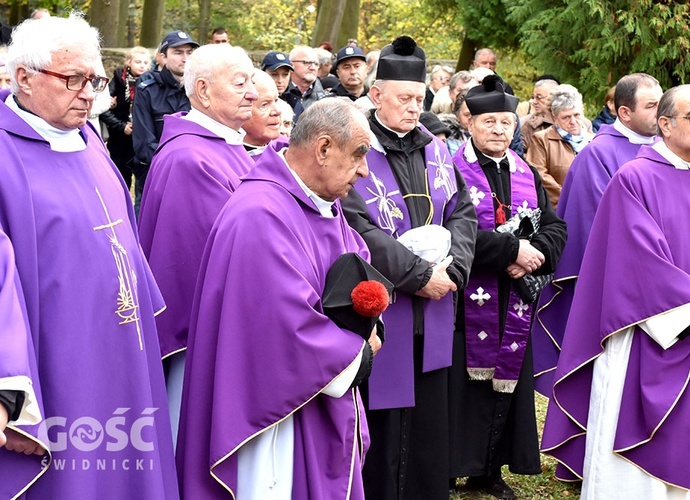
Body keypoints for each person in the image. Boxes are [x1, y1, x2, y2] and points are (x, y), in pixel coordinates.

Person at [542, 84, 690, 498]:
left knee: (689, 454)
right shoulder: (633, 179)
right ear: (665, 124)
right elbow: (637, 259)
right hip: (646, 333)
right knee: (631, 472)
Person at [0, 13, 177, 498]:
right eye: (72, 79)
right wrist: (7, 387)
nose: (89, 94)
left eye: (94, 80)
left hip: (123, 349)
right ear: (23, 78)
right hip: (56, 364)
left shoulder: (89, 141)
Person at [177, 99, 378, 499]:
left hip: (316, 393)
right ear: (323, 149)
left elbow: (356, 262)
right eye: (358, 155)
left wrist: (372, 320)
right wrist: (360, 352)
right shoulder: (260, 213)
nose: (364, 170)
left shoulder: (320, 201)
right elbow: (284, 323)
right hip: (270, 411)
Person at [341, 35, 477, 500]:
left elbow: (462, 212)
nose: (414, 107)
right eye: (404, 98)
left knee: (428, 424)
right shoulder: (357, 150)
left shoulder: (437, 149)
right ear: (376, 95)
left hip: (437, 308)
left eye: (419, 98)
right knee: (385, 423)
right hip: (388, 308)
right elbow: (358, 224)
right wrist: (420, 276)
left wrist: (453, 271)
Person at [449, 75, 566, 499]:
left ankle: (489, 470)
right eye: (489, 122)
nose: (499, 130)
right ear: (470, 123)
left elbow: (554, 226)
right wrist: (510, 251)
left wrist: (534, 253)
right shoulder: (450, 170)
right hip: (465, 298)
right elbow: (451, 232)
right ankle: (451, 465)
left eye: (505, 122)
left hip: (514, 300)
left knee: (505, 386)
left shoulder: (526, 173)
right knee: (462, 387)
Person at [137, 44, 258, 447]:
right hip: (201, 339)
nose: (253, 93)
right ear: (203, 91)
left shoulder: (226, 145)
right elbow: (211, 257)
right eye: (240, 83)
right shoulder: (190, 159)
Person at [531, 73, 662, 396]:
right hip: (619, 288)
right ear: (624, 112)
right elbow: (597, 229)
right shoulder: (598, 154)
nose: (661, 113)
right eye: (652, 106)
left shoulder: (666, 149)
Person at [132, 30, 198, 215]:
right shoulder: (148, 89)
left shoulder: (200, 91)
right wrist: (174, 167)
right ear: (163, 57)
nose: (185, 58)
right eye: (178, 52)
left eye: (189, 53)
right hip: (154, 174)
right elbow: (144, 141)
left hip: (193, 175)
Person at [526, 84, 594, 206]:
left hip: (591, 207)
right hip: (560, 209)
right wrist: (570, 198)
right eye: (566, 117)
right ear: (554, 117)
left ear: (583, 111)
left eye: (577, 115)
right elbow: (539, 175)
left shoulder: (594, 140)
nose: (573, 121)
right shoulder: (542, 139)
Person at [100, 46, 151, 189]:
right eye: (138, 62)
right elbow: (103, 108)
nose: (142, 65)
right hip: (120, 139)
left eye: (145, 62)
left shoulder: (152, 82)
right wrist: (121, 126)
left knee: (143, 183)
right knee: (120, 180)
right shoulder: (118, 80)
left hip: (142, 138)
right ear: (129, 62)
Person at [242, 70, 282, 156]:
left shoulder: (289, 148)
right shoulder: (222, 158)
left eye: (276, 101)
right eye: (265, 105)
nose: (277, 111)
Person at [261, 50, 304, 120]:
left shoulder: (295, 102)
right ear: (263, 73)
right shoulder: (253, 101)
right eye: (274, 75)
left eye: (285, 75)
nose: (280, 80)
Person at [520, 78, 558, 152]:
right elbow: (518, 155)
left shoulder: (580, 123)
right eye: (533, 97)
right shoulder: (527, 124)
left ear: (553, 98)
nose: (534, 102)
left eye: (539, 97)